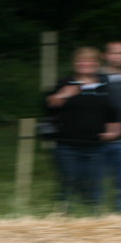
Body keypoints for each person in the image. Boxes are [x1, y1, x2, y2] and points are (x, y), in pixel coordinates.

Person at [46, 47, 120, 209]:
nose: (85, 64)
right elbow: (49, 105)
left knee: (93, 186)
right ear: (75, 63)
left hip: (96, 146)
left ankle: (92, 217)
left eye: (90, 61)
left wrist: (114, 132)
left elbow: (112, 112)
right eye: (81, 61)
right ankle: (63, 215)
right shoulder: (65, 82)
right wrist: (63, 95)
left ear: (97, 64)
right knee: (68, 183)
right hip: (67, 145)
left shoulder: (104, 85)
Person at [102, 41, 121, 211]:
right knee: (95, 182)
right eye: (114, 53)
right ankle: (95, 217)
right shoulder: (96, 77)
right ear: (105, 56)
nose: (117, 57)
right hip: (98, 139)